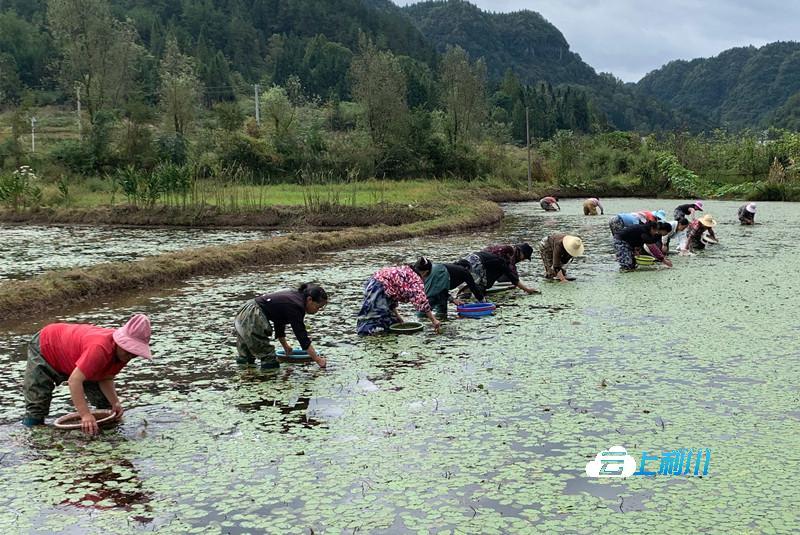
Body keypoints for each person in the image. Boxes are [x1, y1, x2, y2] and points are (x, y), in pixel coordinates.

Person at [22, 314, 152, 434]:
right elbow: (74, 381)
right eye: (128, 351)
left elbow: (106, 377)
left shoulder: (122, 355)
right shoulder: (100, 348)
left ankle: (106, 435)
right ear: (119, 342)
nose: (130, 355)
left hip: (76, 358)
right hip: (47, 346)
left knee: (106, 406)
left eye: (134, 353)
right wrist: (85, 415)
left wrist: (115, 403)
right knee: (37, 405)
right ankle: (29, 436)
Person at [234, 283, 327, 369]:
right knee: (268, 357)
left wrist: (285, 346)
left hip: (246, 310)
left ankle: (245, 378)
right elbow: (301, 336)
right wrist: (318, 360)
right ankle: (268, 380)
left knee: (246, 354)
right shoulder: (296, 306)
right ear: (310, 299)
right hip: (253, 315)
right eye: (317, 307)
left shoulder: (293, 297)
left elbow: (279, 321)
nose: (317, 311)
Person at [357, 257, 441, 335]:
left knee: (391, 320)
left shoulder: (405, 270)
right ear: (426, 272)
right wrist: (434, 320)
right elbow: (421, 301)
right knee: (374, 317)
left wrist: (398, 316)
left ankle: (383, 338)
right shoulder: (415, 279)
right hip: (378, 288)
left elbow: (392, 296)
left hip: (373, 283)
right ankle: (365, 336)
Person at [455, 251, 539, 295]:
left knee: (462, 276)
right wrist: (527, 289)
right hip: (477, 263)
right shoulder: (502, 262)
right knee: (476, 285)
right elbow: (513, 279)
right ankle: (464, 293)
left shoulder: (494, 254)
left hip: (470, 258)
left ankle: (460, 291)